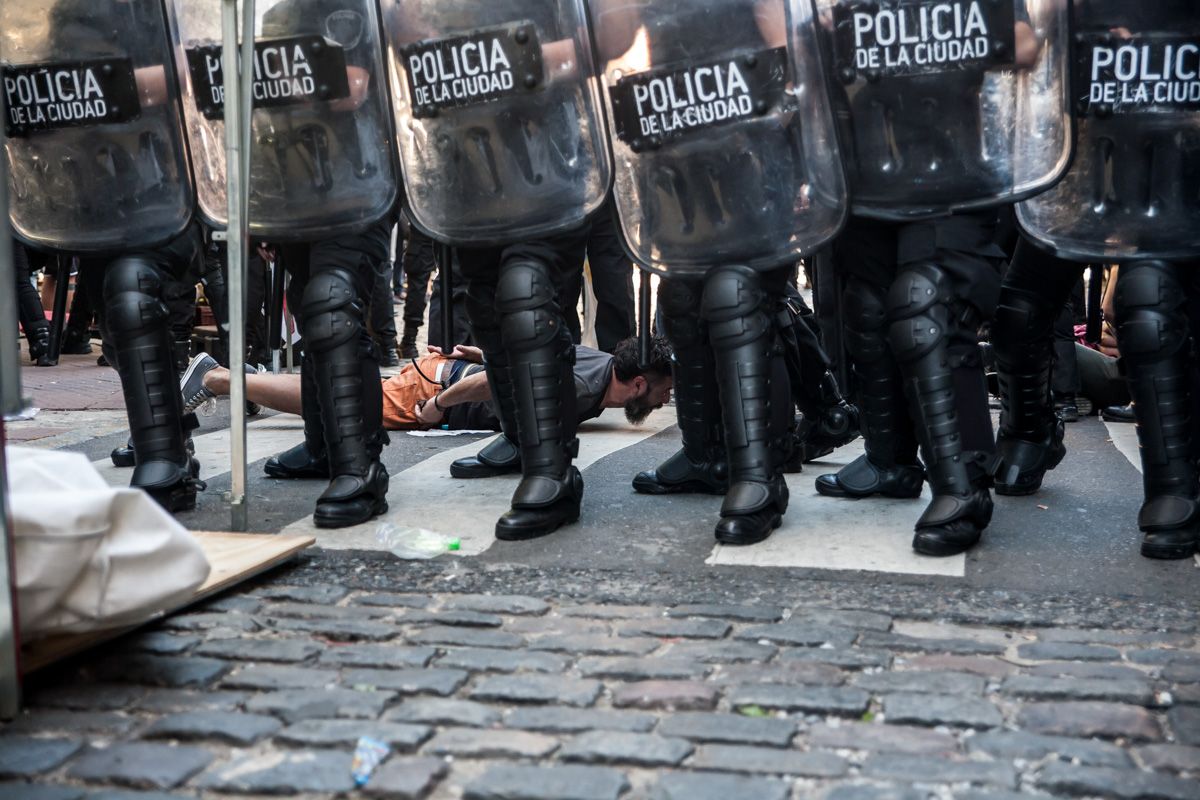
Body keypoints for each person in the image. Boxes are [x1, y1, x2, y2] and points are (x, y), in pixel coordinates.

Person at [179, 335, 673, 432]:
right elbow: (487, 385)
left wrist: (486, 350)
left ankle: (242, 382)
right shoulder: (584, 389)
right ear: (634, 385)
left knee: (344, 397)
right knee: (337, 405)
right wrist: (439, 401)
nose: (665, 399)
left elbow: (531, 356)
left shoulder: (606, 363)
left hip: (445, 373)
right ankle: (219, 378)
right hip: (437, 386)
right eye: (660, 391)